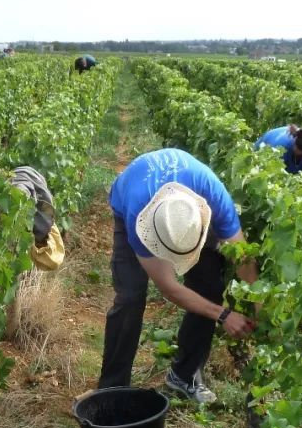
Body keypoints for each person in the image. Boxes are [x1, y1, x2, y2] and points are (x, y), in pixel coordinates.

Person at [98, 149, 257, 404]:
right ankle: (111, 389)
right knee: (130, 298)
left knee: (208, 289)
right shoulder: (137, 215)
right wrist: (224, 315)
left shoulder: (212, 194)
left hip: (185, 202)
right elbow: (170, 288)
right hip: (131, 197)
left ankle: (183, 375)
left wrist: (260, 306)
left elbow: (244, 258)